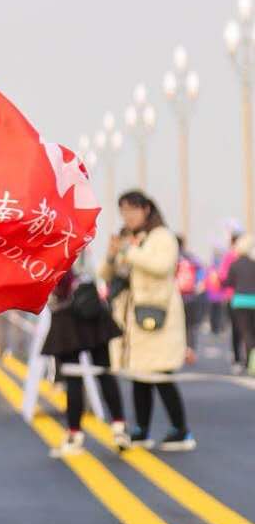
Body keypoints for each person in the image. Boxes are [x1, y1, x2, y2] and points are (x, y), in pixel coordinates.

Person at [99, 191, 194, 451]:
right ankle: (141, 430)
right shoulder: (127, 239)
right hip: (133, 320)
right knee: (139, 374)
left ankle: (181, 431)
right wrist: (112, 254)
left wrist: (128, 250)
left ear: (147, 209)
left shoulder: (162, 237)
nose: (127, 216)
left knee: (161, 374)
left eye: (132, 209)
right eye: (123, 211)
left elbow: (161, 266)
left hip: (157, 316)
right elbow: (106, 274)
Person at [41, 266, 127, 457]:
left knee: (74, 379)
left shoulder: (43, 255)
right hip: (91, 305)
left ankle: (74, 435)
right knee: (104, 373)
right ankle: (119, 428)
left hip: (66, 315)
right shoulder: (76, 248)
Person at [224, 233, 255, 374]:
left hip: (239, 303)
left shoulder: (235, 264)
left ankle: (238, 360)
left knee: (239, 333)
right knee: (251, 333)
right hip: (253, 302)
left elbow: (228, 282)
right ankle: (249, 362)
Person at [175, 235, 207, 364]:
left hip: (176, 297)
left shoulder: (172, 257)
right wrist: (197, 287)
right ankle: (190, 350)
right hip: (192, 297)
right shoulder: (191, 258)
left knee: (176, 325)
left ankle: (177, 351)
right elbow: (203, 274)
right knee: (190, 325)